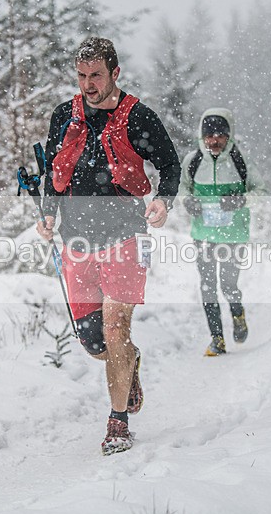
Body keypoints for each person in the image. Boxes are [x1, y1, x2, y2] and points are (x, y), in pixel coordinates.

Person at [36, 37, 180, 455]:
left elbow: (169, 164)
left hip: (124, 236)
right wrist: (48, 212)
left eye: (96, 75)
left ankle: (118, 422)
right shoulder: (64, 116)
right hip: (76, 239)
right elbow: (51, 171)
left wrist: (163, 200)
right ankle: (128, 364)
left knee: (117, 328)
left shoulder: (139, 117)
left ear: (115, 72)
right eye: (81, 76)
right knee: (96, 343)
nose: (88, 84)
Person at [180, 108, 266, 356]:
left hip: (233, 236)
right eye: (209, 136)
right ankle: (217, 338)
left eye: (220, 136)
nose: (214, 141)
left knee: (228, 285)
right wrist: (189, 201)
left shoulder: (241, 161)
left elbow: (262, 192)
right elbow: (183, 188)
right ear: (202, 136)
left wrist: (241, 200)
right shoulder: (192, 161)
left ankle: (237, 313)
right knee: (207, 286)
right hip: (203, 235)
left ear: (229, 136)